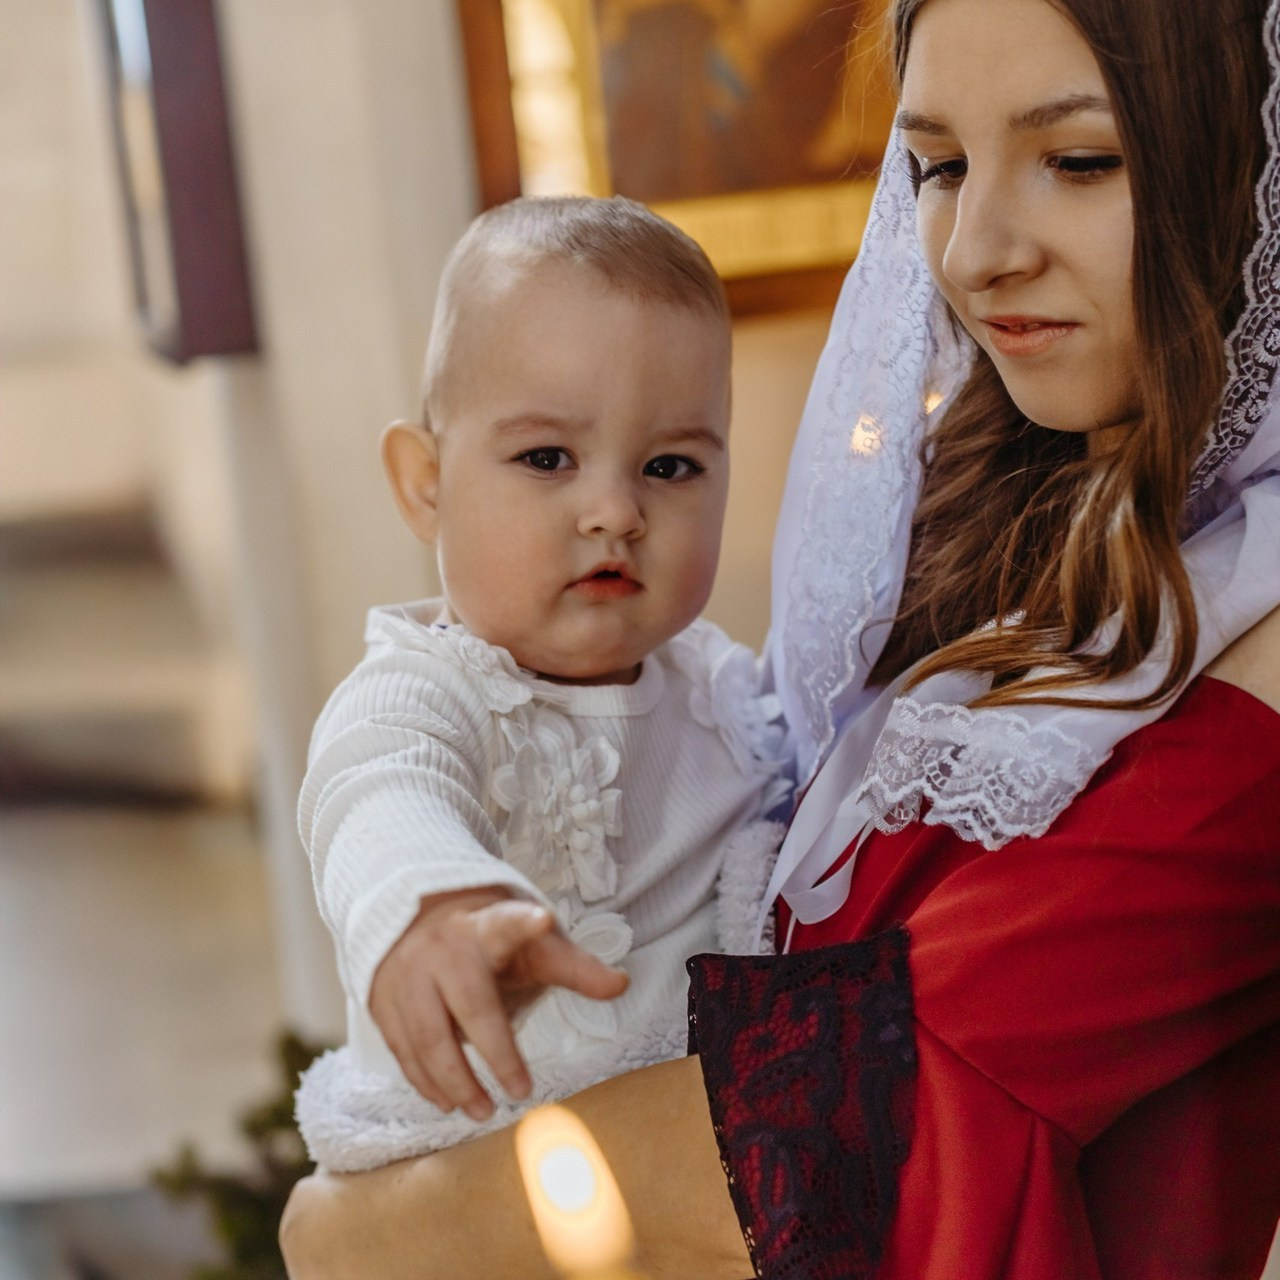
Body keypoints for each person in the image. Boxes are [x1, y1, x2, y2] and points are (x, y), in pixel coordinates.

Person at [279, 0, 1280, 1273]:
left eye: (1078, 160)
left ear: (1251, 160)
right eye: (938, 164)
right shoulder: (992, 526)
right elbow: (379, 781)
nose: (973, 251)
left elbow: (883, 1100)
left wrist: (355, 1231)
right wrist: (425, 902)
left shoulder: (1254, 632)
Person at [292, 194, 790, 1171]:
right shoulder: (427, 688)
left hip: (683, 1177)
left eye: (669, 465)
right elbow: (374, 788)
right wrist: (433, 908)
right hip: (474, 1182)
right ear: (425, 484)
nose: (614, 509)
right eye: (547, 457)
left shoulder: (721, 690)